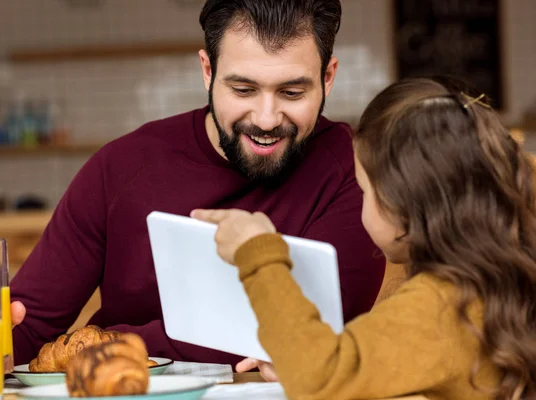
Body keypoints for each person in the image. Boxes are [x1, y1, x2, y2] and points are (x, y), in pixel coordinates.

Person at [0, 0, 385, 385]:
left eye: (291, 91)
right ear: (207, 71)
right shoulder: (121, 167)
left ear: (328, 78)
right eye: (243, 88)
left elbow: (306, 332)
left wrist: (108, 344)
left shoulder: (357, 171)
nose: (266, 118)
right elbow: (24, 329)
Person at [193, 76, 536, 399]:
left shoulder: (441, 304)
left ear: (403, 204)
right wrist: (299, 361)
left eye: (364, 190)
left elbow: (323, 378)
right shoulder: (496, 281)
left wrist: (257, 253)